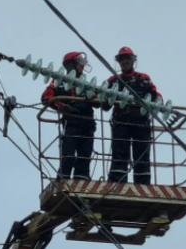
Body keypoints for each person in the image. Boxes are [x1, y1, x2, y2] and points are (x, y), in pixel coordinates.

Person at [103, 46, 161, 185]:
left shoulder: (144, 78)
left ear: (132, 60)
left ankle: (143, 185)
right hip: (121, 121)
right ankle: (118, 183)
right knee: (120, 153)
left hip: (140, 121)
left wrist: (159, 102)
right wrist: (105, 98)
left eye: (127, 59)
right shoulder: (113, 80)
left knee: (141, 154)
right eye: (121, 59)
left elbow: (156, 96)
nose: (124, 62)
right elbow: (105, 105)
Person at [41, 51, 97, 181]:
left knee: (85, 156)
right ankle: (63, 180)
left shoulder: (86, 84)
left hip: (87, 124)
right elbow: (46, 97)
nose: (83, 65)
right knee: (68, 156)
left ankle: (82, 181)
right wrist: (62, 106)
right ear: (71, 64)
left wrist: (96, 99)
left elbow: (98, 100)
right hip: (71, 123)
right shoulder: (59, 81)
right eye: (80, 62)